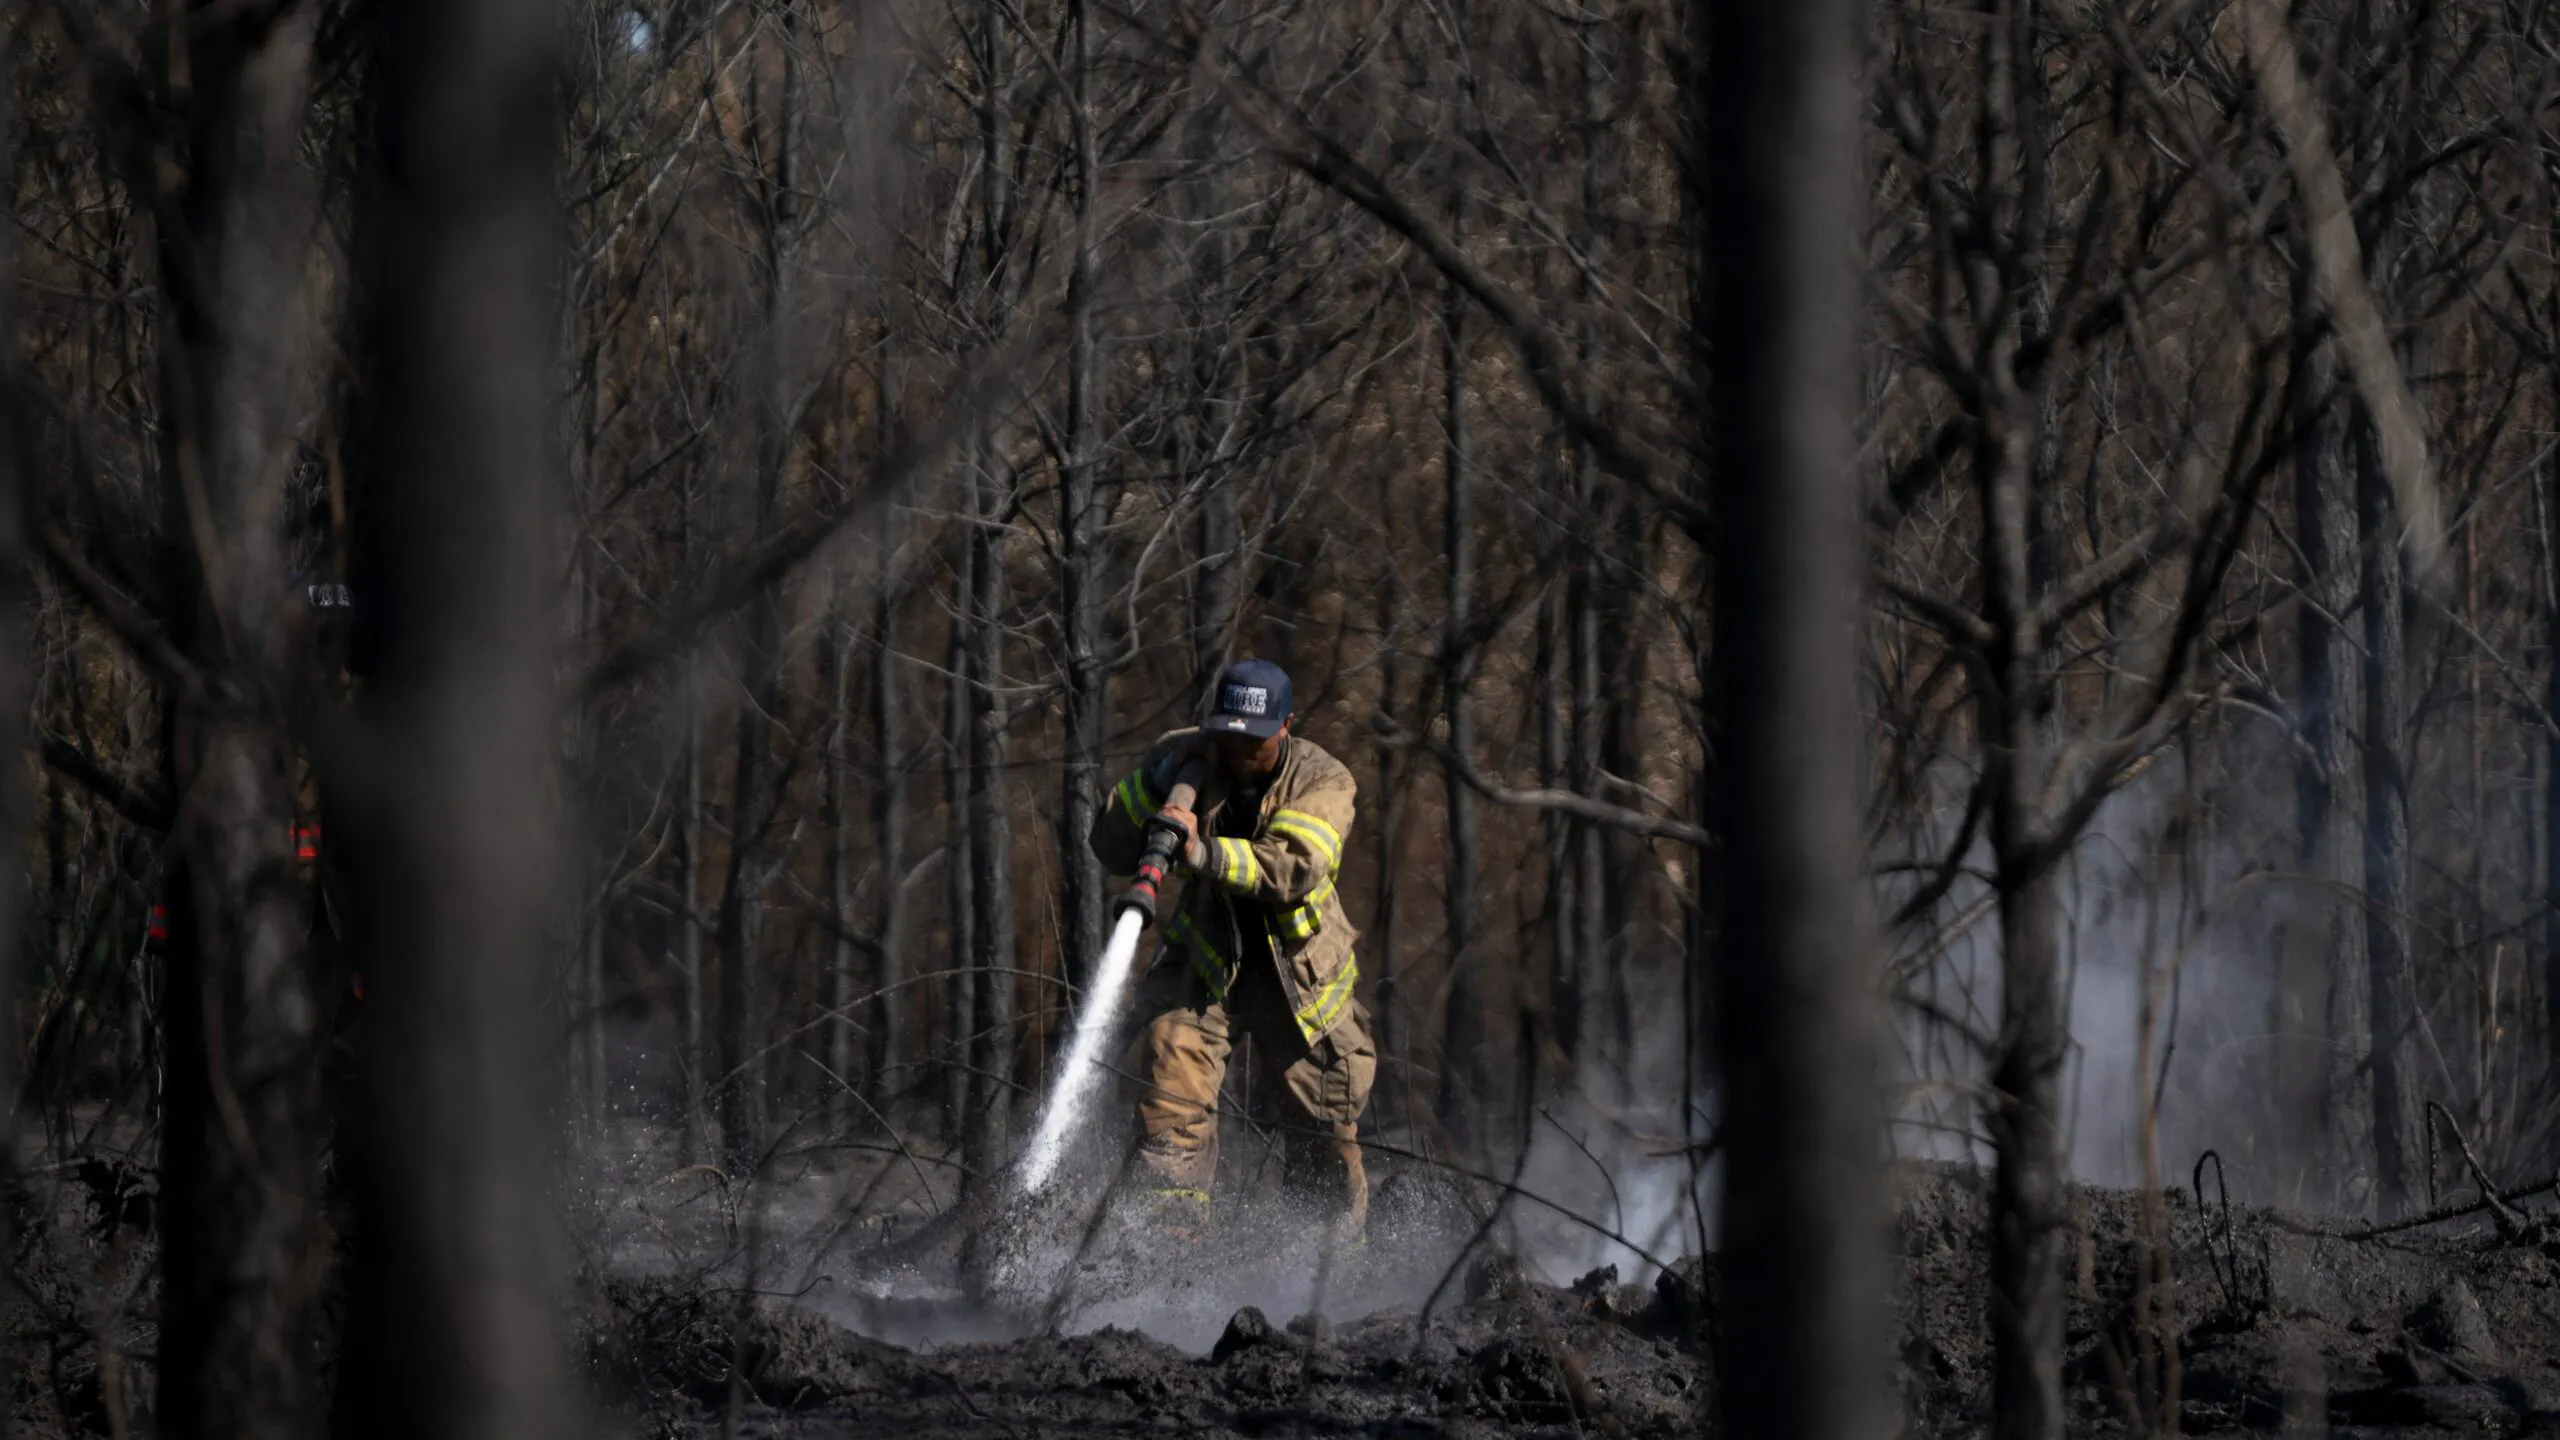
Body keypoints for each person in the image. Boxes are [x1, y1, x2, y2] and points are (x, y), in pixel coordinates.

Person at [1088, 658, 1376, 1242]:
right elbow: (1109, 843)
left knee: (1325, 1131)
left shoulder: (1326, 780)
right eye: (1228, 736)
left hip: (1298, 979)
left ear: (1286, 725)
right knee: (1171, 1103)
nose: (1239, 752)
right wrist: (1160, 783)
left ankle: (1329, 1274)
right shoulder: (1187, 754)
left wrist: (1201, 855)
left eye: (1255, 741)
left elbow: (1291, 868)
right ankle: (1164, 1256)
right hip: (1206, 960)